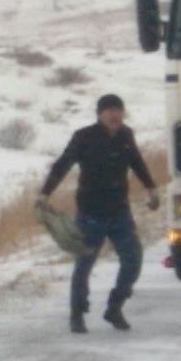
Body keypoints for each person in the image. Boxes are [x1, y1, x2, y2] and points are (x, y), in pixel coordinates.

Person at [37, 94, 160, 333]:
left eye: (118, 110)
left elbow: (136, 162)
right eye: (109, 110)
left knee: (133, 260)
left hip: (120, 211)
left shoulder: (126, 135)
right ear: (99, 114)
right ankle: (77, 313)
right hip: (90, 213)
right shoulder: (84, 137)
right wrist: (44, 194)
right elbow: (63, 164)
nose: (115, 115)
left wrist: (151, 188)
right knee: (84, 265)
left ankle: (115, 307)